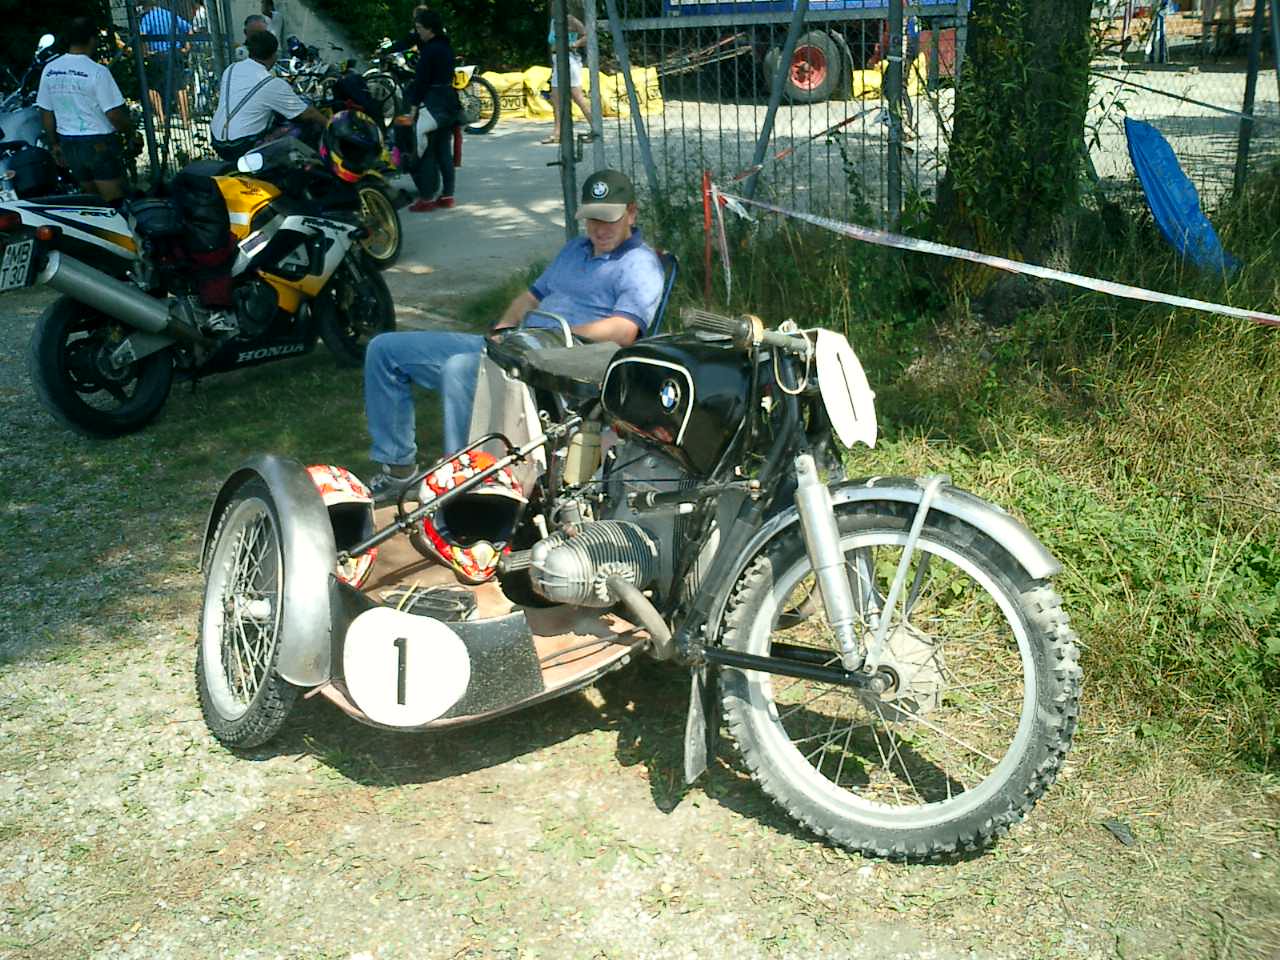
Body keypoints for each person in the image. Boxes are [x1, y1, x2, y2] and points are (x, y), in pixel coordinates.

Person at [363, 169, 664, 503]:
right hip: (518, 346)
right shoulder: (575, 249)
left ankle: (464, 489)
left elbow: (624, 331)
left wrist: (555, 335)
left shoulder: (640, 264)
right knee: (385, 350)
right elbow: (531, 296)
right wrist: (504, 328)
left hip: (559, 366)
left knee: (460, 370)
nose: (600, 228)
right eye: (593, 218)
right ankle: (398, 471)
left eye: (609, 219)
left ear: (631, 213)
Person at [36, 17, 133, 203]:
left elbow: (46, 112)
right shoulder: (98, 72)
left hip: (69, 144)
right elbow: (114, 114)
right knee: (115, 203)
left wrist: (54, 144)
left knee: (91, 203)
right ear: (92, 39)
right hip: (98, 144)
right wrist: (130, 134)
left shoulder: (50, 70)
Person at [210, 29, 325, 162]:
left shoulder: (231, 69)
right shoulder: (272, 83)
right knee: (301, 126)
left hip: (217, 142)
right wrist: (330, 125)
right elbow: (309, 113)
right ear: (274, 55)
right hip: (242, 146)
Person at [403, 7, 461, 213]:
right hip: (450, 103)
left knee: (427, 151)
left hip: (433, 106)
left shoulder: (429, 51)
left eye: (420, 28)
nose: (417, 31)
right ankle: (448, 195)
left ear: (429, 29)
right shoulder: (446, 46)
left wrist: (413, 108)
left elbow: (421, 82)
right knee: (444, 150)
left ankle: (426, 198)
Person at [543, 10, 596, 146]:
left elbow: (587, 36)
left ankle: (596, 128)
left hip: (569, 60)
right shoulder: (554, 21)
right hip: (557, 60)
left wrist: (574, 44)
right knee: (556, 98)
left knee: (577, 97)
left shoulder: (570, 19)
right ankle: (557, 133)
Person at [138, 0, 192, 129]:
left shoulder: (147, 18)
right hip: (175, 54)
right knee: (180, 87)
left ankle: (161, 119)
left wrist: (144, 53)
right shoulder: (170, 14)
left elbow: (142, 35)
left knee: (153, 87)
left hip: (157, 56)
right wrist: (187, 46)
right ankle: (185, 120)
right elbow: (188, 29)